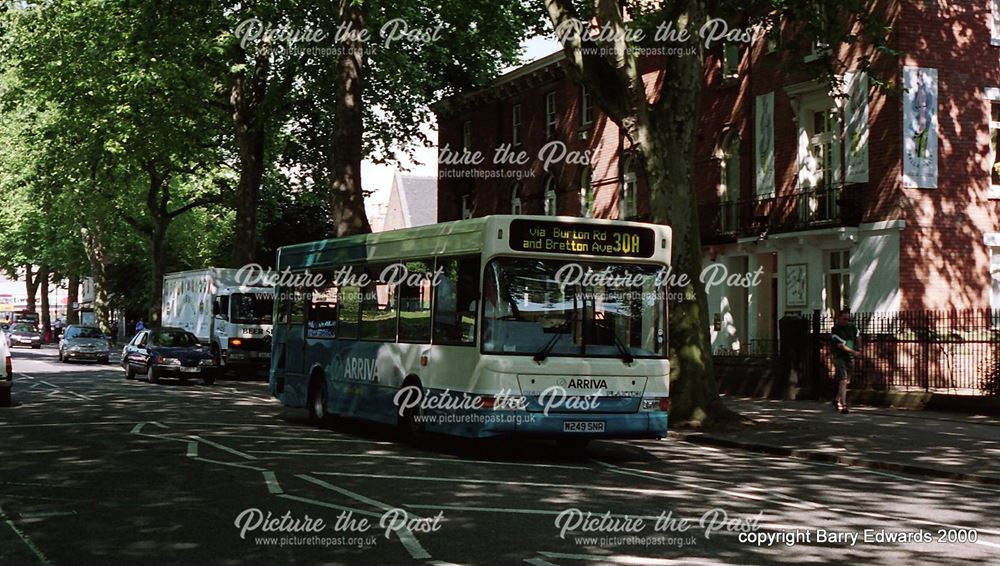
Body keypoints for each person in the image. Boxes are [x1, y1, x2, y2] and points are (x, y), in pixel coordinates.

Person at [831, 309, 862, 414]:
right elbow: (841, 346)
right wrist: (854, 352)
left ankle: (836, 400)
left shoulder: (852, 327)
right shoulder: (835, 329)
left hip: (850, 357)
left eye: (848, 319)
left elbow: (858, 336)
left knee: (846, 381)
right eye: (844, 319)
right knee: (843, 380)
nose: (846, 321)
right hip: (840, 357)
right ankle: (843, 405)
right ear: (839, 318)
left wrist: (859, 349)